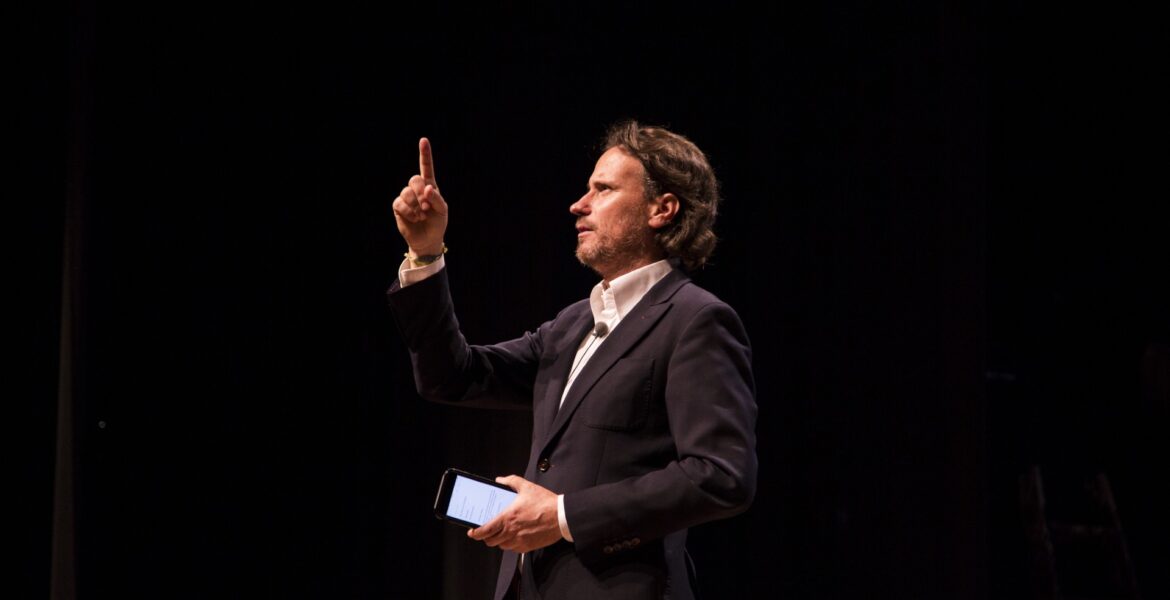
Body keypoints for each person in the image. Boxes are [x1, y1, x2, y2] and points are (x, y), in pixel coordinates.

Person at [386, 121, 757, 600]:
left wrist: (562, 516)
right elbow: (453, 376)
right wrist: (425, 253)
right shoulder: (573, 323)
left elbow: (721, 476)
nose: (578, 204)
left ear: (661, 209)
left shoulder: (696, 320)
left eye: (603, 189)